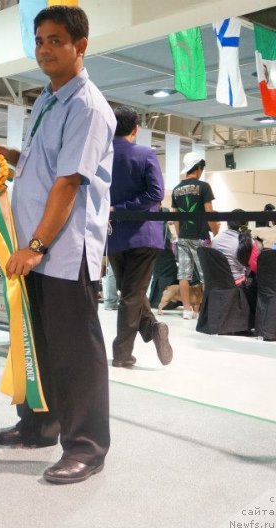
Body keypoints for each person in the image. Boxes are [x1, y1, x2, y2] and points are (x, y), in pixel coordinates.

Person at [0, 6, 114, 484]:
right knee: (35, 344)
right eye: (40, 39)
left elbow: (68, 183)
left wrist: (37, 245)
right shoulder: (47, 97)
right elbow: (45, 165)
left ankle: (87, 447)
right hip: (34, 249)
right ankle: (39, 425)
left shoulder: (87, 105)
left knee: (76, 353)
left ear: (81, 45)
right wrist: (14, 158)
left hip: (63, 251)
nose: (45, 48)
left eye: (56, 40)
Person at [105, 106, 172, 368]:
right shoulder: (146, 154)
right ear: (136, 129)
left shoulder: (99, 157)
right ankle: (124, 352)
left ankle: (151, 330)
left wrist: (113, 210)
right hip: (143, 235)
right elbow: (155, 194)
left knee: (129, 293)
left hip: (112, 237)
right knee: (132, 295)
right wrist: (123, 209)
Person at [172, 152, 220, 320]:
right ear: (198, 167)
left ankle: (186, 310)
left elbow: (175, 216)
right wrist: (215, 231)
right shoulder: (204, 186)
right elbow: (209, 212)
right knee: (205, 273)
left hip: (184, 236)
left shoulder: (176, 189)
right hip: (201, 236)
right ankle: (206, 310)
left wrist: (180, 235)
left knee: (184, 274)